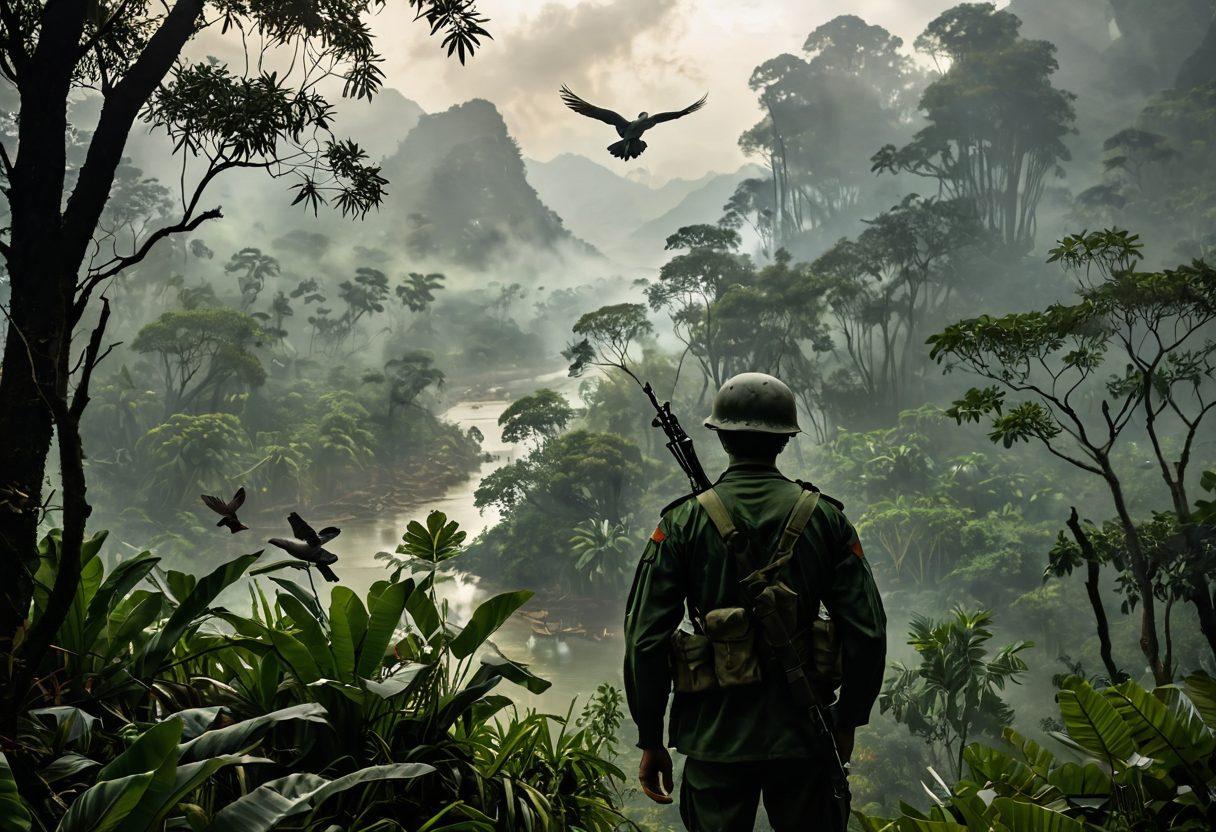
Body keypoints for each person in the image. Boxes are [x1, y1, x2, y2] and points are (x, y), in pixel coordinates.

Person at [623, 372, 887, 831]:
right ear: (785, 440)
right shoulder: (826, 520)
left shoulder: (682, 523)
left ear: (721, 435)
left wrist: (650, 738)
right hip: (805, 737)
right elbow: (868, 632)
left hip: (713, 738)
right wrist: (847, 722)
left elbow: (645, 639)